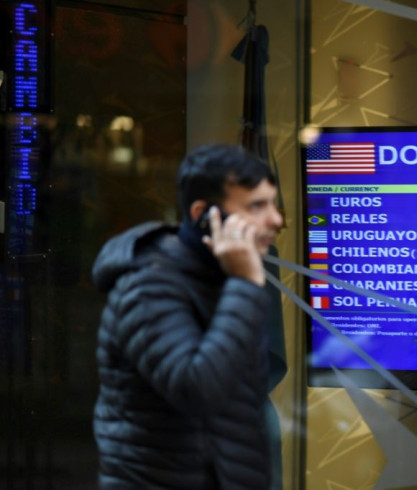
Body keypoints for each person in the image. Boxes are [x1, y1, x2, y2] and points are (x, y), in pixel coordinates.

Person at [91, 143, 284, 489]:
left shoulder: (226, 275)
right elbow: (199, 391)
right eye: (257, 205)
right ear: (202, 214)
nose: (275, 219)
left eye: (272, 203)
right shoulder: (148, 284)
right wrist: (244, 285)